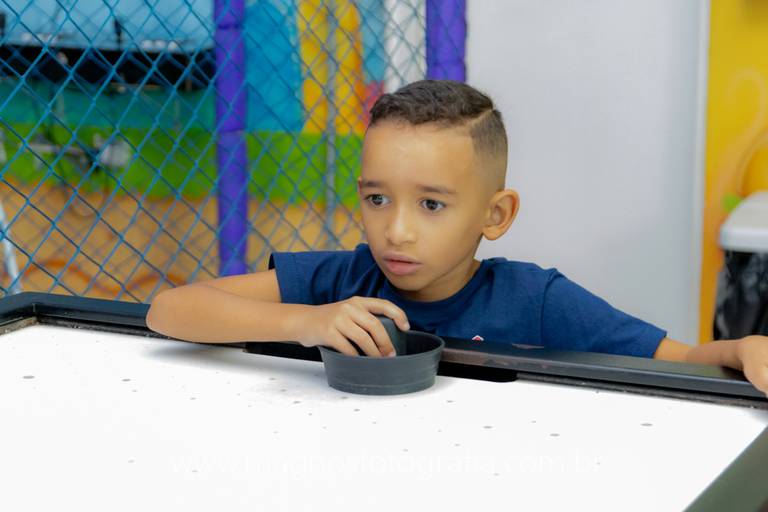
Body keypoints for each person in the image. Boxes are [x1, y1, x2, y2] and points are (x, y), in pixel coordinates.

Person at [146, 79, 768, 396]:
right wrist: (306, 321)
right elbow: (169, 309)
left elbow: (679, 361)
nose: (397, 230)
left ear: (495, 215)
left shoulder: (537, 300)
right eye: (377, 198)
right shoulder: (339, 281)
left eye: (432, 204)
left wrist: (742, 348)